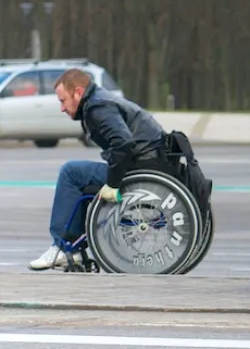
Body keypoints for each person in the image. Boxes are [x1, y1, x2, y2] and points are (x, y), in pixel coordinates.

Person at [29, 68, 167, 270]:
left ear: (78, 92)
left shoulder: (98, 106)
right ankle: (73, 245)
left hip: (140, 169)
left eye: (63, 100)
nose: (62, 108)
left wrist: (112, 183)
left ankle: (62, 246)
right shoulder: (101, 100)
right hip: (149, 162)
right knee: (82, 180)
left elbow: (123, 144)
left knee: (71, 172)